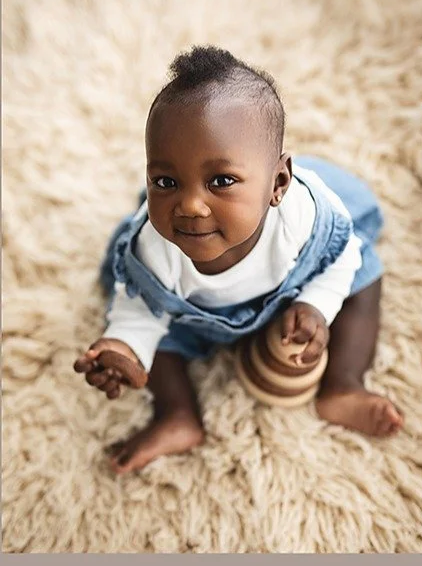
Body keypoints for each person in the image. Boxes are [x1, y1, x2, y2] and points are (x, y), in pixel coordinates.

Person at [73, 45, 403, 475]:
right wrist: (123, 348)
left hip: (290, 288)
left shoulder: (304, 217)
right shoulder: (153, 247)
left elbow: (342, 259)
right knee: (163, 347)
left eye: (222, 180)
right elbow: (140, 308)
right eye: (165, 181)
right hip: (197, 313)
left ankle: (344, 385)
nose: (189, 205)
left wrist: (316, 306)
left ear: (278, 183)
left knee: (365, 275)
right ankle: (177, 414)